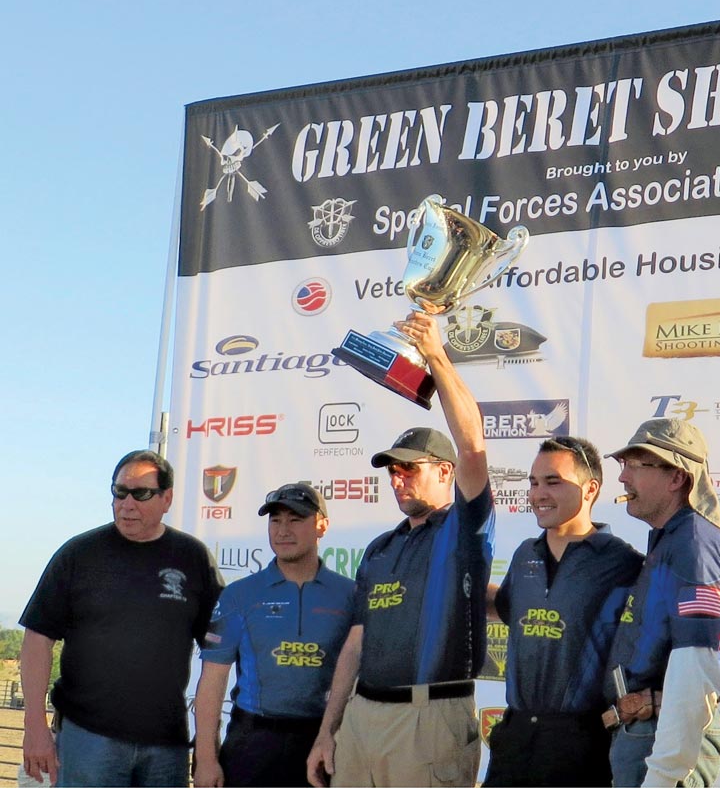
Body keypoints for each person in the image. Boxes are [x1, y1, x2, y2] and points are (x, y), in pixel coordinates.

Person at [484, 435, 720, 788]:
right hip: (514, 738)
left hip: (584, 742)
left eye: (553, 482)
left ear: (591, 489)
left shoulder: (624, 561)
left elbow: (682, 618)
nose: (538, 494)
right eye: (533, 483)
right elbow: (503, 606)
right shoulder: (522, 556)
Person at [307, 310, 495, 788]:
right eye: (392, 470)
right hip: (362, 718)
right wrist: (328, 731)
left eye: (410, 469)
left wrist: (436, 355)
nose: (397, 478)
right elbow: (355, 644)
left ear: (446, 473)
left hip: (429, 719)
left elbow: (471, 445)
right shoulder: (379, 547)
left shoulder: (463, 528)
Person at [19, 450, 224, 787]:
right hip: (87, 739)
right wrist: (35, 727)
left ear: (167, 498)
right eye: (119, 492)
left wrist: (206, 749)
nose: (127, 504)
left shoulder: (193, 558)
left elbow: (220, 651)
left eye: (141, 494)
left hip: (167, 746)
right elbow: (37, 640)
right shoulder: (79, 554)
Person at [604, 418, 720, 788]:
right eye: (624, 465)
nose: (623, 478)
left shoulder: (693, 545)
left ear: (678, 477)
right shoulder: (674, 540)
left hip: (662, 738)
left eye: (636, 465)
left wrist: (664, 775)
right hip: (649, 733)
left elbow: (695, 665)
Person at [193, 482, 356, 787]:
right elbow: (212, 681)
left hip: (325, 740)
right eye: (275, 520)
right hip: (253, 741)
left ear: (322, 526)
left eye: (295, 520)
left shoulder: (349, 595)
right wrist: (205, 759)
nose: (283, 530)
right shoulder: (239, 595)